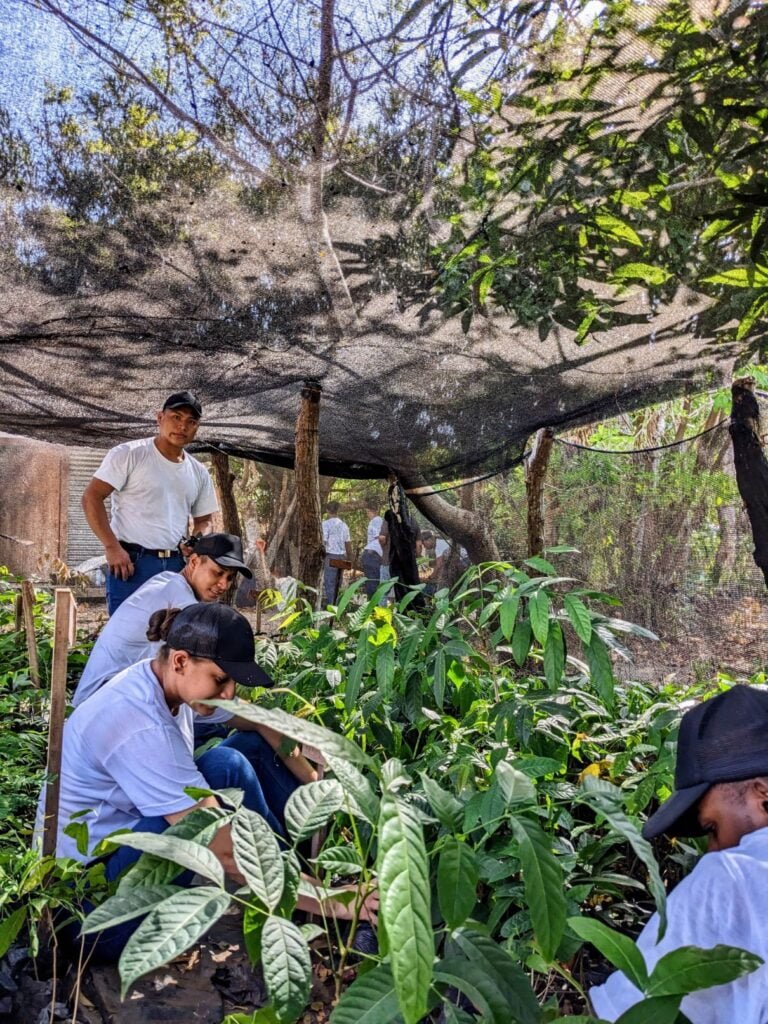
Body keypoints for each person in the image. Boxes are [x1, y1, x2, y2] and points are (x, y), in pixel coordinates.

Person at [39, 603, 377, 961]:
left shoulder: (165, 680)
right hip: (90, 914)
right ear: (181, 661)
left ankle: (301, 880)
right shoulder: (137, 725)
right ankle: (321, 901)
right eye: (221, 680)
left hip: (117, 861)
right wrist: (336, 902)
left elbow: (254, 719)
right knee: (211, 803)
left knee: (231, 757)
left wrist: (319, 779)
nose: (229, 693)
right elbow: (225, 849)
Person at [589, 684, 768, 1023]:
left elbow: (624, 1013)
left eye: (713, 828)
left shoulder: (730, 876)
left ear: (763, 796)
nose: (712, 850)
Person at [73, 532, 252, 708]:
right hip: (105, 706)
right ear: (194, 562)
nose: (224, 585)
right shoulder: (184, 603)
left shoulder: (169, 581)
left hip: (106, 700)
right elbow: (194, 684)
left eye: (230, 578)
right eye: (217, 573)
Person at [82, 390, 219, 615]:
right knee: (127, 635)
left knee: (172, 634)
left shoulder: (198, 471)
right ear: (159, 418)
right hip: (131, 563)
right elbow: (91, 497)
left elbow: (205, 519)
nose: (182, 426)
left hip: (177, 565)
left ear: (197, 428)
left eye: (191, 421)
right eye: (176, 417)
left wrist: (195, 540)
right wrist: (112, 547)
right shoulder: (130, 454)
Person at [322, 501, 351, 605]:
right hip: (342, 557)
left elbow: (324, 542)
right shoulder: (344, 525)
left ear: (327, 511)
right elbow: (348, 544)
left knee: (329, 583)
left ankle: (332, 609)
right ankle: (338, 605)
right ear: (338, 511)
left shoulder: (325, 524)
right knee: (338, 582)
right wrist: (350, 560)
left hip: (331, 556)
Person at [361, 506, 383, 597]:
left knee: (372, 582)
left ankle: (373, 606)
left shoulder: (377, 520)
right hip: (372, 553)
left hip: (372, 553)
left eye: (368, 512)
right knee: (372, 582)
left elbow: (379, 537)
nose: (367, 514)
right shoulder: (375, 521)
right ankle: (372, 605)